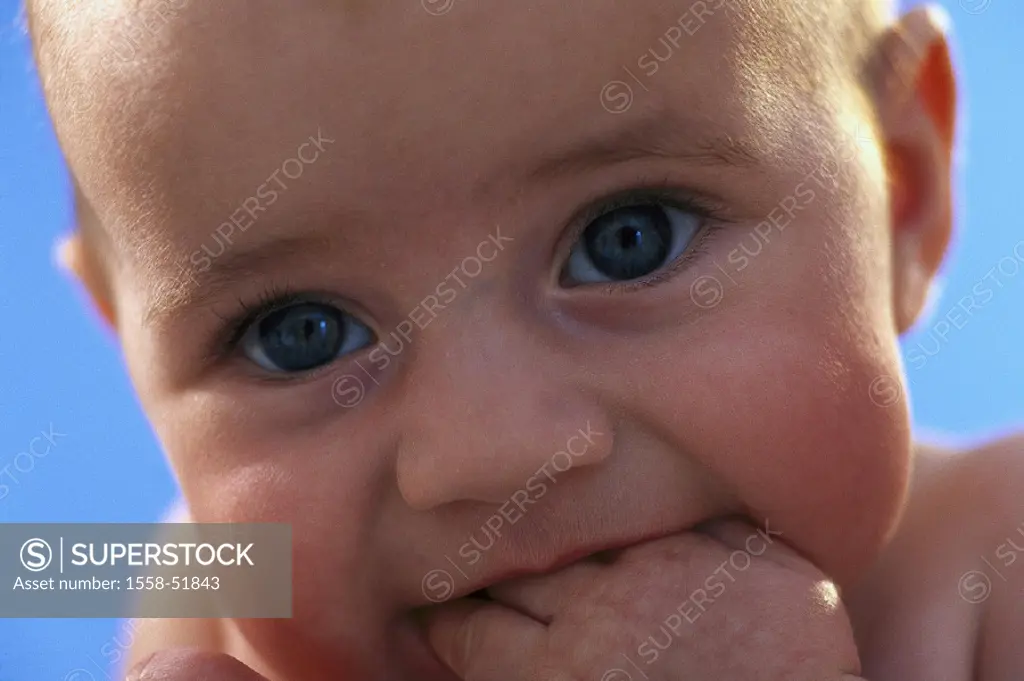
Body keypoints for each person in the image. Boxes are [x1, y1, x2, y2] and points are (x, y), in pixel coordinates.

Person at [27, 0, 1024, 678]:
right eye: (301, 335)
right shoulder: (203, 598)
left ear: (901, 193)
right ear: (129, 356)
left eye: (627, 241)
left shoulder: (994, 571)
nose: (490, 449)